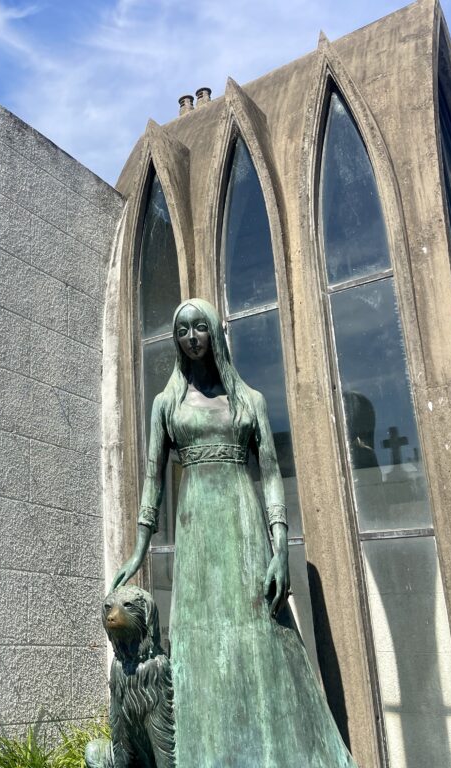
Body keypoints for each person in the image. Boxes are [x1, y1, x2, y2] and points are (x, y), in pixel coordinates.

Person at [112, 298, 355, 767]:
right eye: (182, 331)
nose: (191, 337)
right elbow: (152, 480)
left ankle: (278, 751)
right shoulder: (166, 405)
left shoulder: (250, 401)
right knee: (197, 642)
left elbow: (269, 475)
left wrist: (281, 546)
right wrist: (139, 549)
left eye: (199, 327)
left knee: (263, 635)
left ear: (215, 333)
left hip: (244, 530)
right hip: (197, 530)